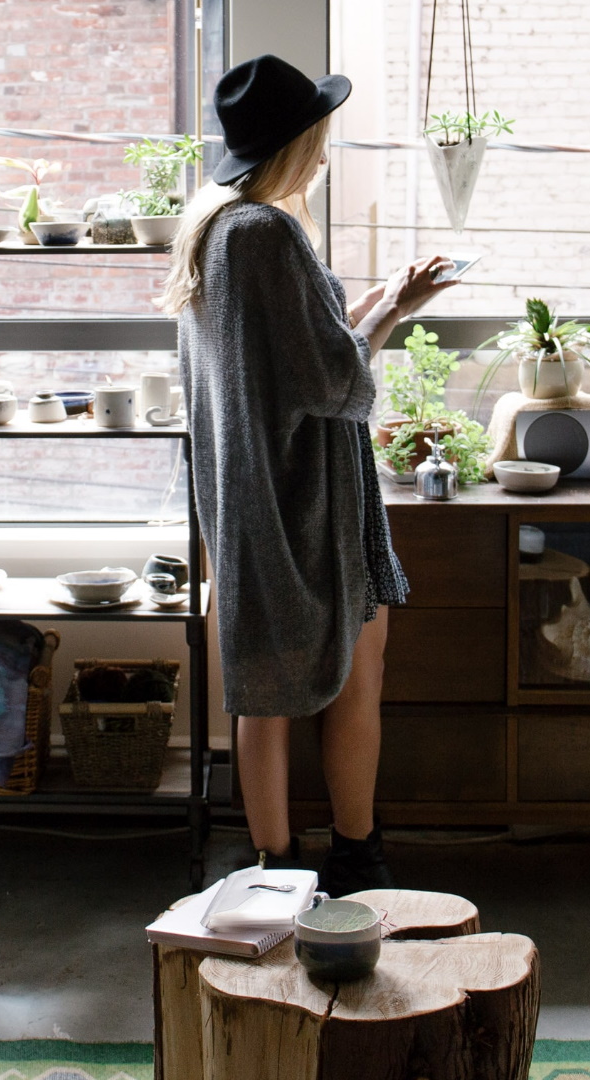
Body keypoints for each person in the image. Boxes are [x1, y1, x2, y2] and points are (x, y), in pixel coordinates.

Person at [159, 54, 457, 895]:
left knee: (260, 691)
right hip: (308, 505)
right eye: (318, 138)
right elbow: (333, 381)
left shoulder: (215, 229)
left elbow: (291, 350)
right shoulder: (269, 232)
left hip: (250, 502)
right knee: (359, 677)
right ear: (293, 143)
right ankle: (358, 855)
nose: (324, 154)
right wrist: (396, 311)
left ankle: (274, 870)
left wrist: (369, 304)